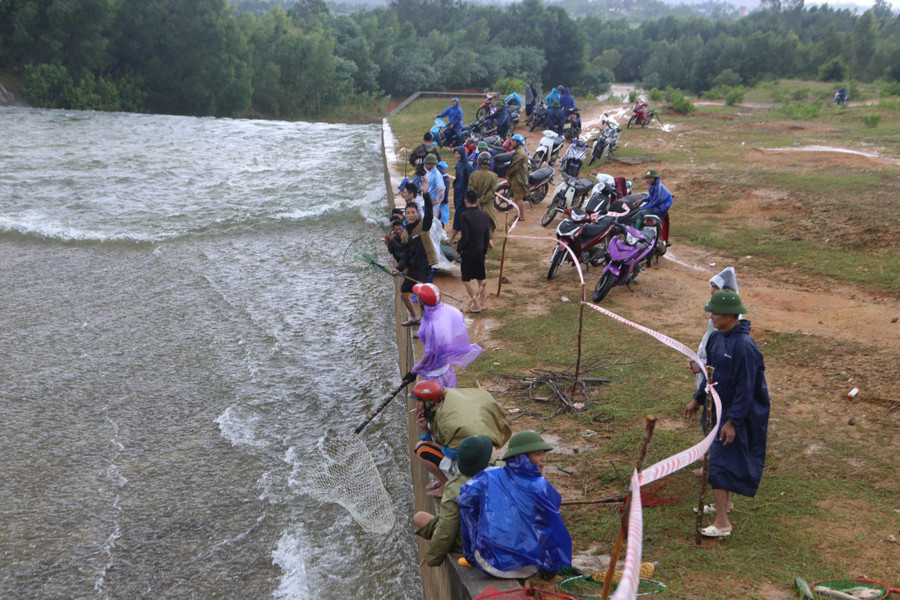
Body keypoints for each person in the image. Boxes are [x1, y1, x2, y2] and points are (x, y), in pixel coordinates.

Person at [685, 291, 770, 538]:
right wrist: (698, 398)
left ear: (730, 315)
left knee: (720, 462)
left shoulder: (745, 346)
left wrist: (733, 421)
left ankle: (722, 524)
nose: (710, 316)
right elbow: (711, 376)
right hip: (715, 408)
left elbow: (747, 388)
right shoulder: (715, 338)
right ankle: (726, 504)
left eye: (715, 312)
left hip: (737, 413)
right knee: (716, 457)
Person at [457, 430, 572, 578]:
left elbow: (464, 502)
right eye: (537, 454)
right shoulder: (542, 486)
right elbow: (553, 532)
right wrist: (555, 569)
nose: (543, 459)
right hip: (529, 568)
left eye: (544, 454)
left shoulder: (488, 475)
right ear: (522, 457)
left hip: (487, 562)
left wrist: (470, 553)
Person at [413, 381, 511, 498]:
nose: (416, 404)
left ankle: (447, 485)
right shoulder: (439, 408)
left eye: (419, 401)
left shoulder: (445, 420)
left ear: (429, 402)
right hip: (478, 451)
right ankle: (446, 479)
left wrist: (432, 444)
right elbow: (435, 436)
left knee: (422, 449)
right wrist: (424, 429)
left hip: (469, 462)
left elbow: (454, 452)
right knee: (423, 444)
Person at [414, 435, 494, 568]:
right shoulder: (500, 473)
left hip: (476, 543)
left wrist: (431, 556)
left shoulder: (455, 487)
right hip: (502, 538)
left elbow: (446, 528)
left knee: (420, 517)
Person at [410, 282, 482, 387]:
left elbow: (429, 353)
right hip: (445, 369)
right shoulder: (450, 311)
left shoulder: (431, 326)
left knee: (431, 402)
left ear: (422, 301)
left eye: (419, 296)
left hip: (433, 376)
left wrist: (414, 371)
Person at [394, 192, 437, 326]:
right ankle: (415, 318)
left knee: (422, 297)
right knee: (403, 294)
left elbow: (429, 213)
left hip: (424, 266)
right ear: (405, 215)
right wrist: (398, 268)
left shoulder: (423, 226)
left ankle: (425, 324)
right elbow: (405, 255)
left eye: (413, 212)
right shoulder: (405, 233)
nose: (411, 215)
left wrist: (426, 194)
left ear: (417, 214)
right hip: (412, 268)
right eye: (408, 213)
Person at [457, 190, 490, 313]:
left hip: (468, 252)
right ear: (477, 200)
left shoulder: (464, 216)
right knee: (480, 277)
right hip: (480, 250)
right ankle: (483, 303)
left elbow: (465, 236)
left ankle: (476, 304)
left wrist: (459, 249)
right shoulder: (484, 215)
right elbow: (487, 235)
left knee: (466, 279)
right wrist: (485, 251)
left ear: (465, 201)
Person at [468, 153, 499, 240]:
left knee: (475, 222)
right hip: (488, 204)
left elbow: (470, 190)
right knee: (489, 222)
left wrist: (477, 200)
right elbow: (492, 192)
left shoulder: (473, 175)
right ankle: (488, 239)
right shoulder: (494, 176)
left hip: (475, 204)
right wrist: (483, 199)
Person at [636, 168, 672, 243]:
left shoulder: (658, 187)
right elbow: (651, 196)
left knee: (640, 214)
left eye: (649, 178)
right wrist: (642, 200)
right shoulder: (652, 186)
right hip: (658, 205)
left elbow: (656, 200)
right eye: (647, 178)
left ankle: (637, 235)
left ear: (654, 178)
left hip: (661, 207)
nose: (647, 180)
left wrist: (644, 208)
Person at [449, 146, 474, 245]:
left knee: (459, 216)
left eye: (458, 153)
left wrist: (467, 196)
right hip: (457, 195)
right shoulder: (458, 165)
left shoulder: (468, 167)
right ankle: (463, 238)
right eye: (455, 153)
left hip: (464, 196)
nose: (456, 155)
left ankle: (450, 240)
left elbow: (470, 182)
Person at [507, 133, 529, 221]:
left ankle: (521, 216)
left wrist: (508, 175)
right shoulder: (520, 151)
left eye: (513, 141)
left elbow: (514, 166)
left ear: (518, 142)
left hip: (518, 178)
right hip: (520, 177)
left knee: (518, 198)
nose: (511, 142)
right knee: (516, 197)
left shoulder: (519, 153)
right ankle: (518, 214)